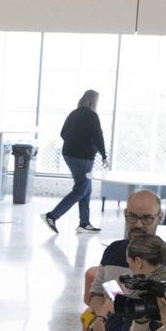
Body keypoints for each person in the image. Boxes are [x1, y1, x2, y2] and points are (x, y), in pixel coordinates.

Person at [86, 190, 166, 331]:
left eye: (146, 218)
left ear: (160, 217)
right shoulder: (113, 250)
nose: (138, 224)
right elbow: (96, 293)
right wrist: (101, 317)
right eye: (132, 217)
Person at [42, 89, 107, 234]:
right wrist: (103, 154)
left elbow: (63, 133)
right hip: (83, 157)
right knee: (81, 190)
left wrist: (74, 142)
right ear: (93, 101)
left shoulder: (74, 113)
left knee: (86, 189)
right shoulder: (92, 116)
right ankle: (52, 216)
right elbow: (98, 136)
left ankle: (84, 223)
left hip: (69, 154)